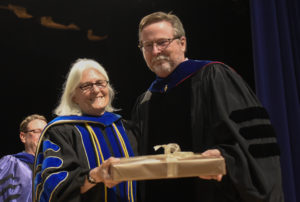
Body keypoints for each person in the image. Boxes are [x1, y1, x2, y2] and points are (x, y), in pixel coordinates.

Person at [132, 11, 284, 202]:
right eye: (147, 45)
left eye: (162, 42)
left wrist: (225, 157)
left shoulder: (214, 77)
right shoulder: (145, 102)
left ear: (182, 43)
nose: (155, 51)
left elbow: (255, 143)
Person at [32, 58, 137, 202]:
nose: (96, 90)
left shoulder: (126, 128)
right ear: (74, 97)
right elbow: (55, 187)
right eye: (86, 86)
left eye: (100, 83)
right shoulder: (60, 131)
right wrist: (94, 175)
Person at [0, 114, 47, 202]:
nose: (43, 135)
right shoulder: (10, 163)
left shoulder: (53, 167)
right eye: (38, 131)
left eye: (46, 132)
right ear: (23, 137)